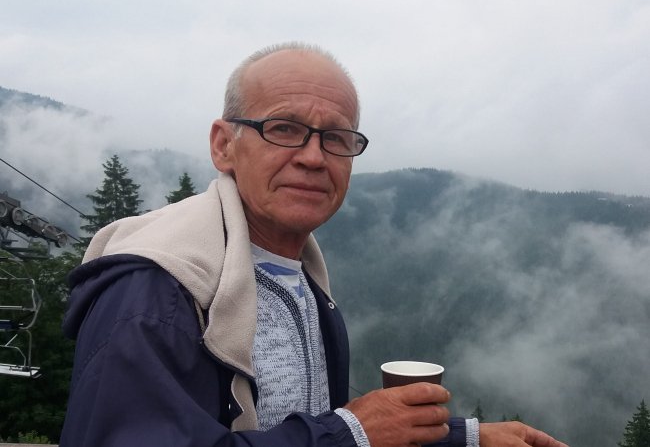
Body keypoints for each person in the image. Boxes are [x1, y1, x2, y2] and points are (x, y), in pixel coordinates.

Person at [60, 42, 568, 447]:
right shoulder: (155, 292)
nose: (313, 157)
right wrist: (350, 435)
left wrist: (465, 437)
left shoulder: (296, 274)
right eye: (284, 128)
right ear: (223, 145)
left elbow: (306, 424)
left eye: (337, 138)